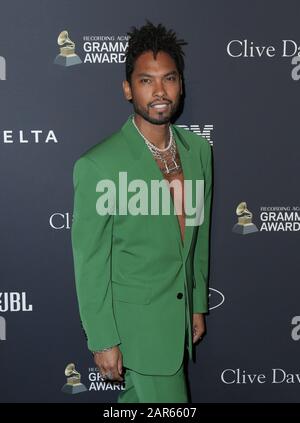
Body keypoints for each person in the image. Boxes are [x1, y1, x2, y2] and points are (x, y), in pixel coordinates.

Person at [71, 20, 213, 403]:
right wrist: (102, 339)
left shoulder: (199, 152)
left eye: (168, 78)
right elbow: (90, 262)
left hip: (177, 324)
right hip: (137, 329)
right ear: (127, 89)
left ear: (180, 84)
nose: (160, 91)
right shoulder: (98, 165)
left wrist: (196, 303)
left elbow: (198, 237)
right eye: (146, 81)